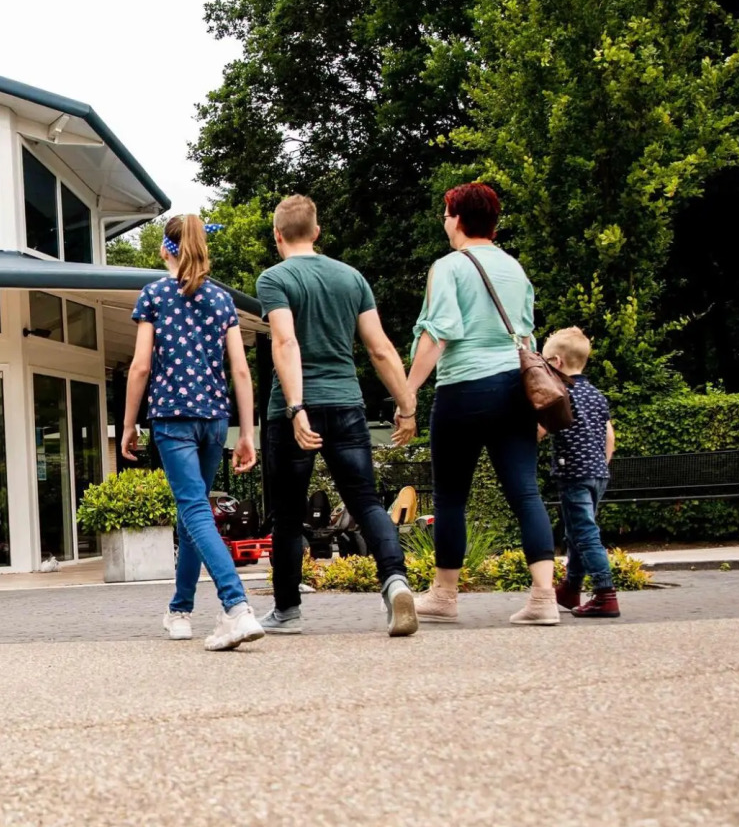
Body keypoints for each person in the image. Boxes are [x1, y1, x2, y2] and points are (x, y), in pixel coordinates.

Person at [256, 195, 419, 638]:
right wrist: (406, 405)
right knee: (366, 501)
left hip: (294, 412)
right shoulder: (352, 278)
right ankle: (395, 582)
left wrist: (295, 407)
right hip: (347, 405)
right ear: (317, 231)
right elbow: (380, 347)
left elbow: (286, 344)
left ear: (277, 236)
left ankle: (287, 611)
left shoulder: (275, 278)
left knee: (288, 515)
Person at [400, 182, 557, 625]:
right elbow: (527, 336)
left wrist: (408, 390)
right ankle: (544, 597)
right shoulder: (514, 268)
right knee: (526, 492)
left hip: (464, 389)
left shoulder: (449, 266)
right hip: (514, 387)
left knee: (451, 496)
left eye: (446, 212)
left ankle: (445, 595)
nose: (444, 220)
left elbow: (439, 332)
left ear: (457, 218)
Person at [123, 213, 264, 651]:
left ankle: (236, 606)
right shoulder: (222, 301)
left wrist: (129, 424)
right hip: (214, 419)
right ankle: (180, 611)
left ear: (165, 248)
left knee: (196, 512)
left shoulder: (154, 295)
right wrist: (246, 432)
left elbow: (141, 366)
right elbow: (240, 369)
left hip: (172, 419)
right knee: (192, 515)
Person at [541, 327, 619, 618]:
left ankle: (604, 593)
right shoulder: (598, 395)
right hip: (598, 473)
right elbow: (609, 436)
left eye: (546, 362)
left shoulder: (559, 393)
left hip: (573, 474)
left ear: (557, 363)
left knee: (585, 534)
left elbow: (540, 429)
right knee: (576, 532)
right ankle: (571, 588)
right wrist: (600, 465)